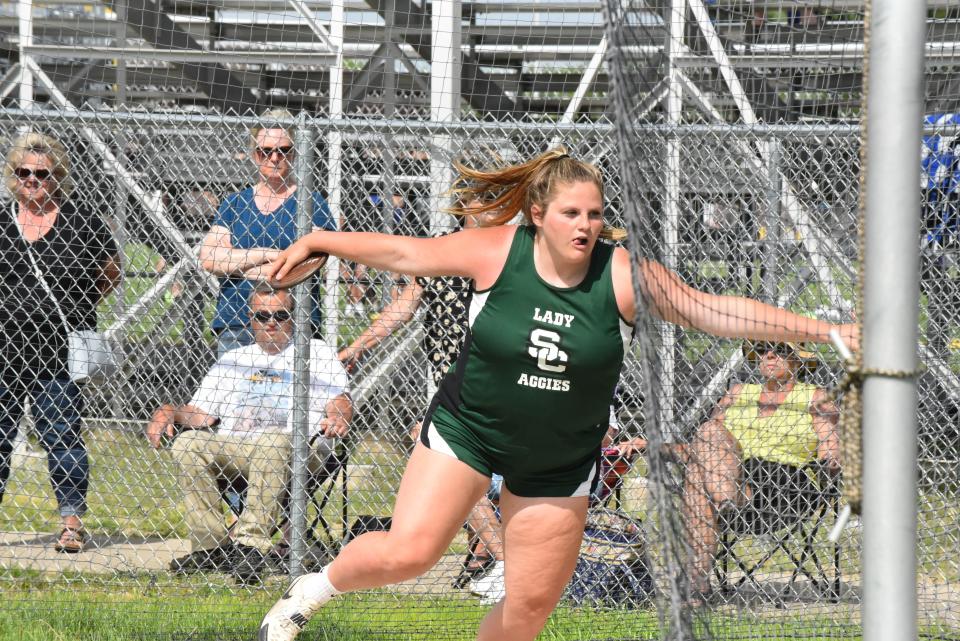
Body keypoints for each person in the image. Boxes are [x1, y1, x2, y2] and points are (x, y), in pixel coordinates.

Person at [257, 148, 858, 641]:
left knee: (528, 610)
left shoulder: (622, 274)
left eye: (594, 214)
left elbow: (716, 311)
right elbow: (406, 252)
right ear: (538, 214)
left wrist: (825, 330)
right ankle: (309, 592)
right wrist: (320, 240)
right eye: (571, 213)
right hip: (470, 431)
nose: (585, 225)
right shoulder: (497, 249)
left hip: (558, 459)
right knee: (410, 552)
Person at [146, 286, 352, 584]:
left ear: (293, 318)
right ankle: (211, 548)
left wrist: (339, 415)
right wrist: (168, 411)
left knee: (274, 441)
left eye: (280, 315)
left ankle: (249, 546)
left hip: (300, 453)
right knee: (189, 442)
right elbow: (200, 413)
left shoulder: (315, 352)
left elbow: (340, 400)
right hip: (239, 448)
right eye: (262, 315)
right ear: (250, 318)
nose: (271, 322)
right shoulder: (234, 359)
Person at [616, 340, 840, 601]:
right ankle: (724, 504)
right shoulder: (737, 393)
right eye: (762, 349)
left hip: (787, 487)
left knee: (698, 478)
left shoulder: (816, 397)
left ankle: (697, 582)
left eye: (780, 350)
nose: (768, 355)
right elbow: (704, 449)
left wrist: (832, 463)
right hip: (734, 479)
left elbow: (830, 452)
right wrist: (651, 446)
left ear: (798, 359)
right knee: (709, 436)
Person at [0, 132, 121, 554]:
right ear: (13, 176)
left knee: (64, 436)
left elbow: (110, 271)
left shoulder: (80, 220)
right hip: (5, 348)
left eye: (42, 174)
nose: (32, 181)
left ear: (57, 178)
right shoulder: (2, 220)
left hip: (59, 351)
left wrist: (75, 309)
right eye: (24, 173)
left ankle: (71, 523)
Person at [199, 108, 337, 357]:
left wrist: (240, 267)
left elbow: (310, 264)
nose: (274, 157)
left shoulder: (311, 202)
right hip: (237, 321)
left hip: (293, 323)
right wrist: (269, 254)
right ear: (254, 154)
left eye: (283, 150)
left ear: (294, 154)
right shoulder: (234, 203)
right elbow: (209, 258)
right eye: (265, 151)